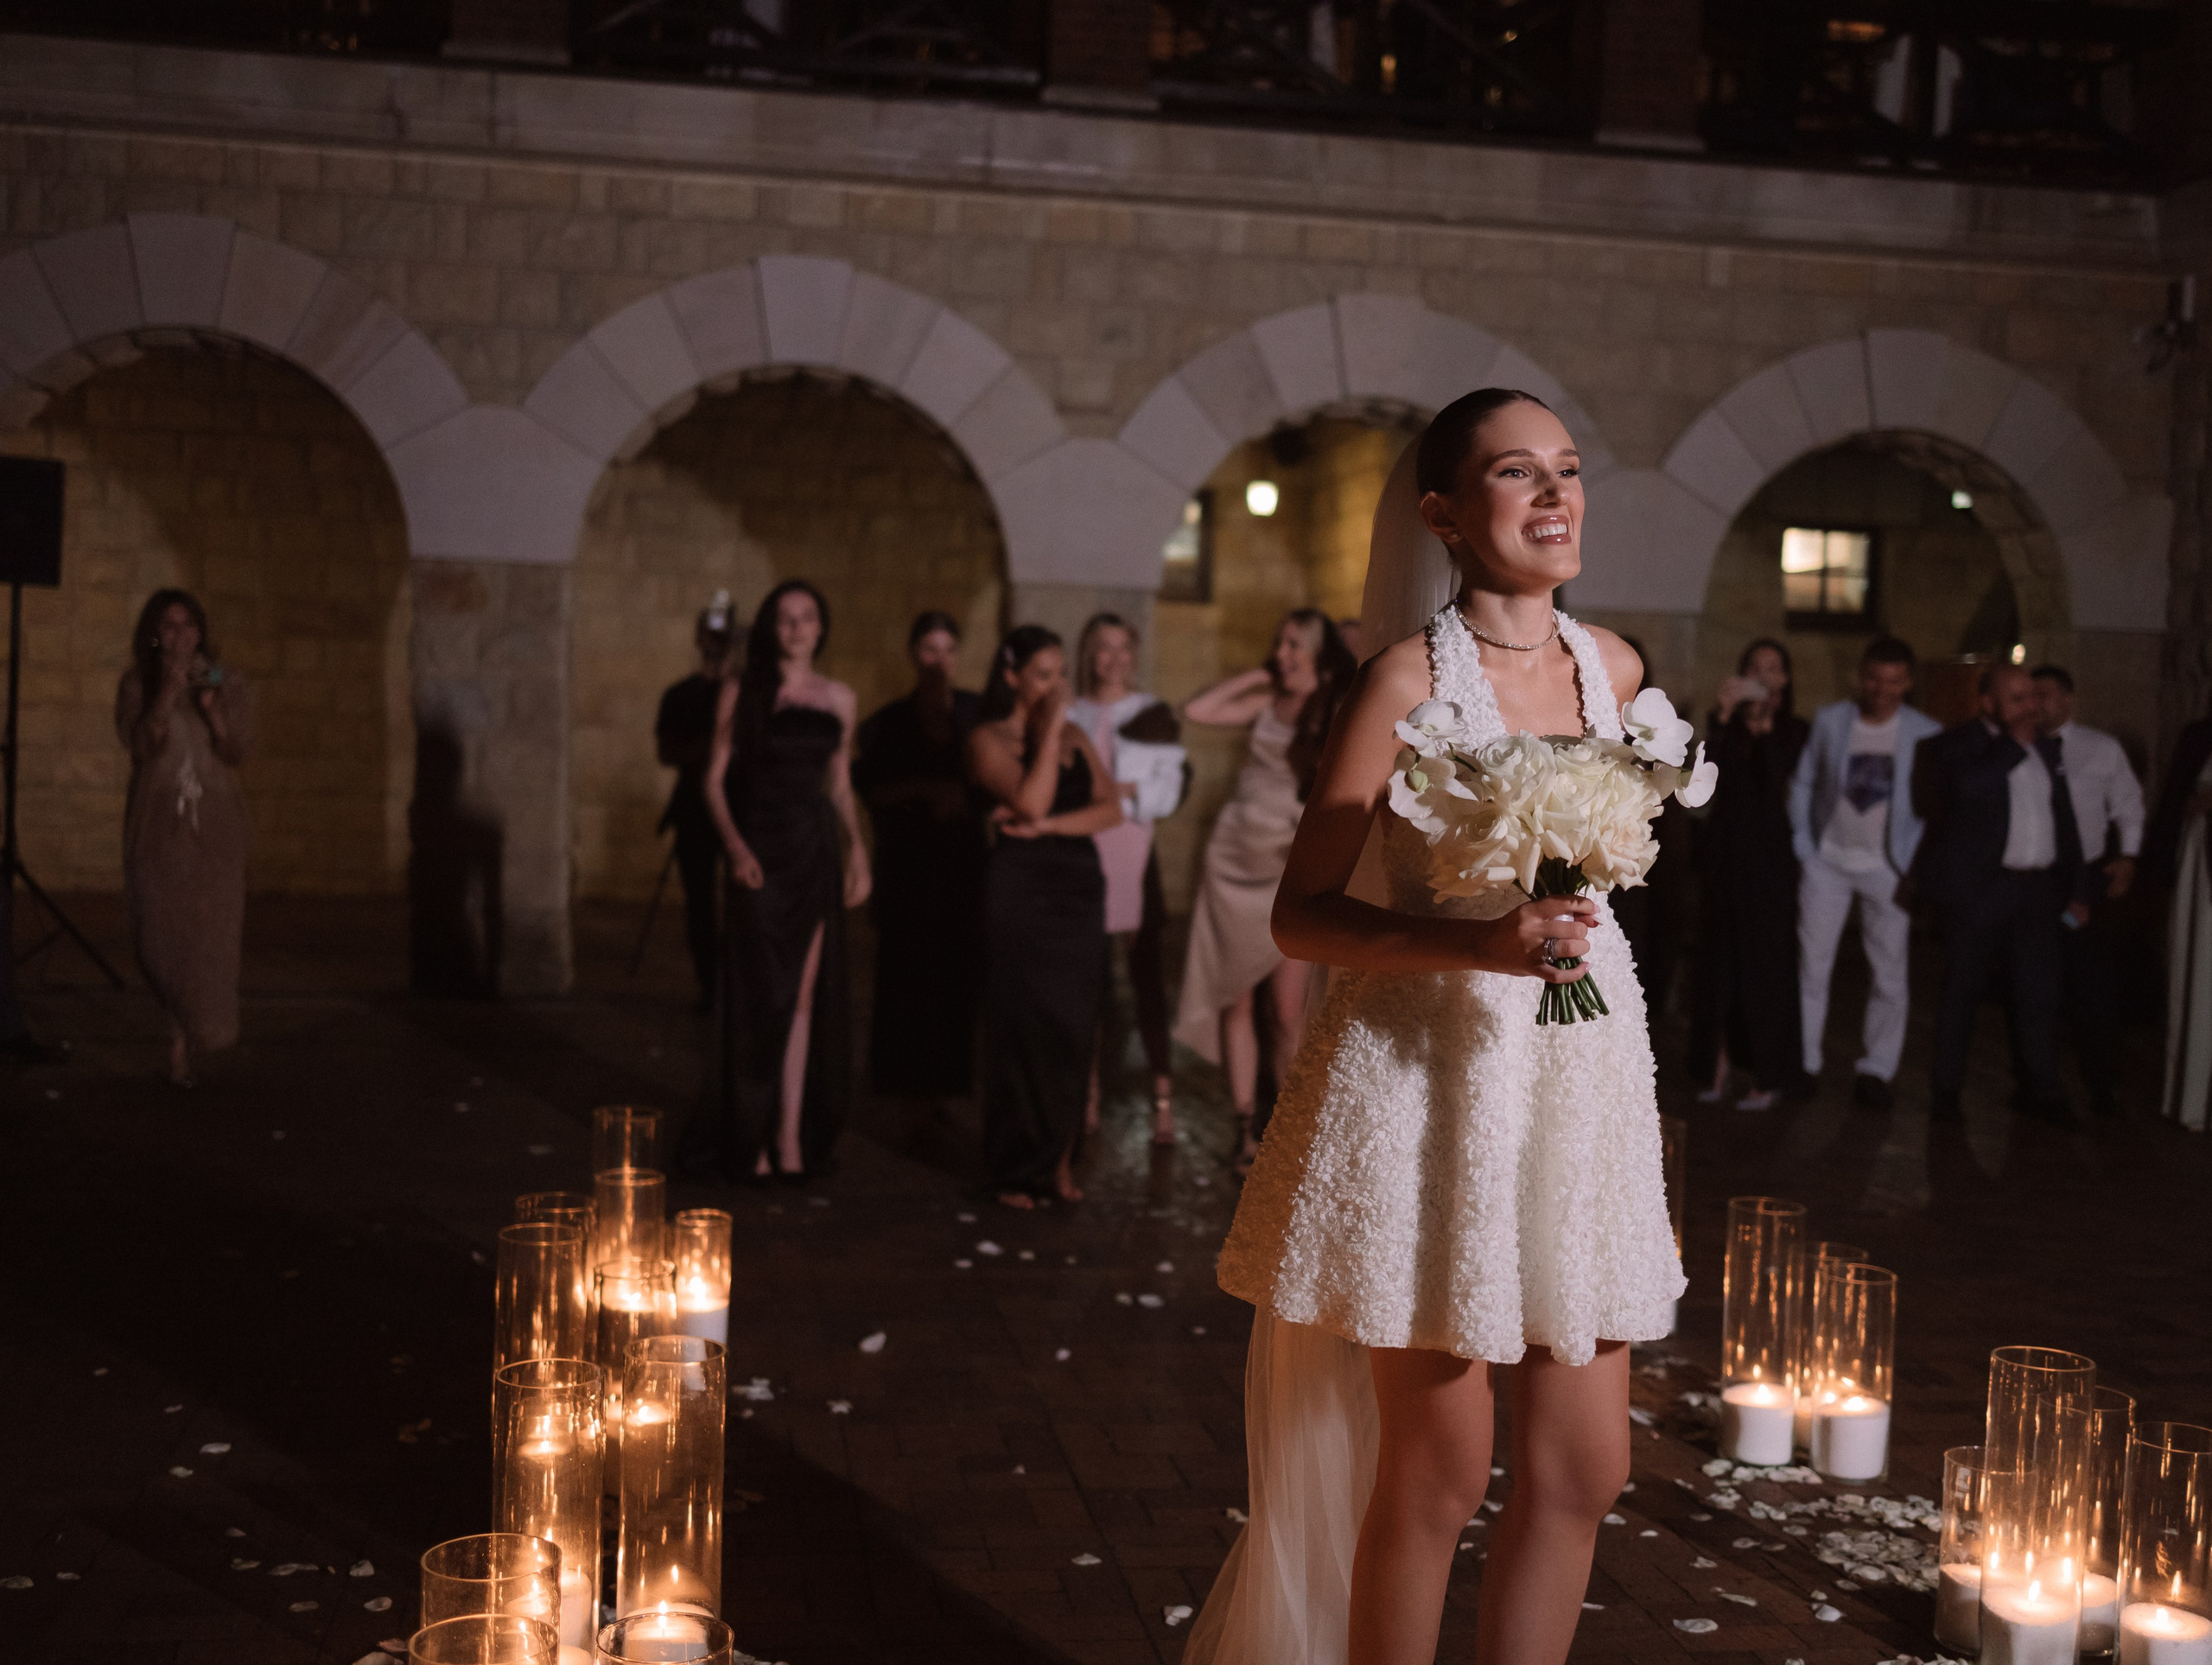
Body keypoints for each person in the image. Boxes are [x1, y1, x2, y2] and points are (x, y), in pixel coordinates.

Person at [1186, 390, 1682, 1665]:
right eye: (1519, 474)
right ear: (1444, 513)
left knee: (1586, 1464)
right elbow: (1302, 915)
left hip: (1580, 1074)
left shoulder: (1616, 670)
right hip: (1437, 1080)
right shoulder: (1405, 683)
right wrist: (1475, 941)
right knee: (1440, 1468)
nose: (1556, 497)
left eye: (1568, 469)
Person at [690, 579, 870, 1183]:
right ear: (772, 628)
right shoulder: (744, 691)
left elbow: (840, 783)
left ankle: (789, 1137)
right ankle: (750, 1135)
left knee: (802, 999)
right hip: (761, 848)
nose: (796, 627)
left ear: (822, 627)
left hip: (813, 847)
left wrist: (860, 850)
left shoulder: (840, 696)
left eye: (807, 617)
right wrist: (735, 847)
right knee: (761, 997)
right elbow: (712, 781)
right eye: (786, 618)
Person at [1174, 609, 1357, 1172]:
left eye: (1294, 643)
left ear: (1319, 652)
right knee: (1236, 996)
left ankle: (1290, 1126)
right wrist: (1258, 675)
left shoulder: (1334, 708)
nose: (1282, 651)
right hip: (1234, 854)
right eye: (1279, 641)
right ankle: (1244, 1126)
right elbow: (1196, 710)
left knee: (1285, 1006)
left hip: (1287, 859)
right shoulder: (1265, 701)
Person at [968, 626, 1122, 1209]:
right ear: (1011, 678)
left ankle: (1058, 1160)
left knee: (1073, 1024)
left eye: (1061, 674)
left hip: (1076, 889)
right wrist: (1049, 727)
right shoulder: (988, 738)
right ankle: (1014, 1169)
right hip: (1020, 890)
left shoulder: (1079, 737)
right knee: (1022, 1022)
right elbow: (1028, 799)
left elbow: (1110, 810)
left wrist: (1053, 826)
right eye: (1043, 676)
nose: (1057, 687)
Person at [1914, 663, 2088, 1123]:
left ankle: (2041, 1089)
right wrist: (2011, 749)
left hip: (2038, 892)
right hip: (1980, 891)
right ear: (1988, 704)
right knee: (1962, 992)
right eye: (2017, 699)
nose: (2030, 707)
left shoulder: (2048, 749)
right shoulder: (1950, 747)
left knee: (2038, 993)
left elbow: (2064, 819)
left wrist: (2077, 888)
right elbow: (1963, 793)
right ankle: (1947, 1092)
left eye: (2033, 697)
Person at [1786, 637, 1940, 1112]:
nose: (1882, 689)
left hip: (1887, 867)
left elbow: (1932, 804)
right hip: (1827, 861)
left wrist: (1911, 862)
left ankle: (1877, 1069)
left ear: (1908, 682)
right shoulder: (1833, 720)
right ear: (1862, 676)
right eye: (1875, 677)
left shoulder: (1925, 731)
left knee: (1890, 972)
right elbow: (1805, 780)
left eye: (1894, 681)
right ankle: (1806, 1063)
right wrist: (1806, 849)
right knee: (1813, 965)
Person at [117, 588, 255, 1089]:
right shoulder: (138, 683)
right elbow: (139, 745)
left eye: (189, 626)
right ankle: (176, 1023)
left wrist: (213, 709)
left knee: (208, 935)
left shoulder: (225, 679)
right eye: (170, 627)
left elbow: (239, 748)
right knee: (160, 935)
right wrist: (167, 695)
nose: (181, 637)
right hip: (159, 824)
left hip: (214, 825)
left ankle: (185, 1041)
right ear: (156, 634)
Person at [852, 610, 988, 1112]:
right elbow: (870, 786)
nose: (940, 661)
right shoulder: (888, 723)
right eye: (931, 650)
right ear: (914, 655)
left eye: (949, 650)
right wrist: (925, 789)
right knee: (906, 979)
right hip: (910, 869)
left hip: (962, 868)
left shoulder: (975, 713)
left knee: (957, 979)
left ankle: (948, 1086)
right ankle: (904, 1085)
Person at [1068, 612, 1185, 1147]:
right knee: (1085, 981)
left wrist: (1120, 793)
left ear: (1133, 655)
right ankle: (1084, 1092)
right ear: (1087, 655)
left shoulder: (1150, 713)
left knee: (1145, 978)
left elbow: (1164, 795)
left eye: (1121, 648)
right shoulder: (1069, 712)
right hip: (1082, 854)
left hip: (1135, 854)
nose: (1111, 659)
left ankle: (1163, 1100)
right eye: (1101, 648)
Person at [1691, 639, 1809, 1110]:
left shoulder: (1795, 729)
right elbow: (1706, 778)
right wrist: (1724, 717)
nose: (1762, 676)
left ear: (1784, 679)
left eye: (1772, 668)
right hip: (1725, 854)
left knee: (1767, 968)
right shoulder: (1723, 726)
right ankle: (1713, 1065)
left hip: (1770, 861)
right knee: (1717, 963)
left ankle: (1770, 1073)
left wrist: (1763, 729)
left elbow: (1775, 778)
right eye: (1753, 668)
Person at [2031, 664, 2143, 1118]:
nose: (2038, 703)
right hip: (2037, 878)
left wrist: (2129, 858)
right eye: (2031, 695)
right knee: (2037, 980)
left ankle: (2102, 1085)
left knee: (2091, 982)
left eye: (2046, 694)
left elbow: (2129, 806)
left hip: (2084, 880)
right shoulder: (2020, 748)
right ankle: (2039, 1083)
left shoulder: (2101, 748)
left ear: (2067, 700)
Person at [654, 598, 734, 1011]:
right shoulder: (680, 695)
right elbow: (667, 752)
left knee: (742, 900)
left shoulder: (744, 693)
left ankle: (735, 982)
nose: (716, 643)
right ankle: (711, 983)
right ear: (699, 638)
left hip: (739, 808)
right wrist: (708, 751)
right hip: (693, 808)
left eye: (724, 635)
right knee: (700, 902)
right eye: (711, 634)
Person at [2142, 704, 2212, 1131]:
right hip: (2202, 862)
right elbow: (2178, 801)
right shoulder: (2200, 735)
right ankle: (2194, 1098)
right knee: (2199, 974)